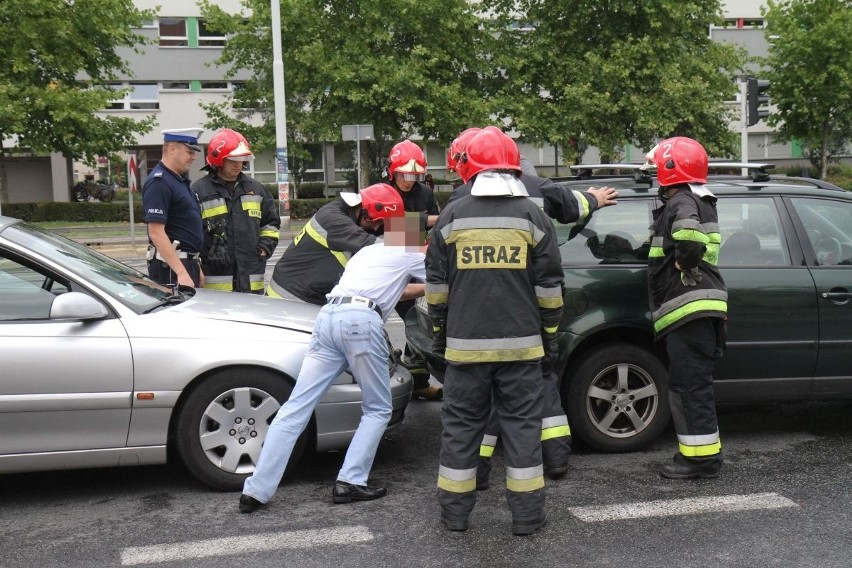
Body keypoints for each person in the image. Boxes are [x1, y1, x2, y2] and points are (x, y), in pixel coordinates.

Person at [448, 126, 618, 489]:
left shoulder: (461, 196)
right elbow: (575, 207)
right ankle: (555, 458)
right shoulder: (543, 189)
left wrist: (394, 228)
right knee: (542, 381)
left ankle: (477, 471)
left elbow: (434, 240)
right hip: (537, 300)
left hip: (478, 309)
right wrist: (594, 198)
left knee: (484, 397)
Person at [239, 193, 427, 513]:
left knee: (296, 406)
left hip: (328, 317)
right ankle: (350, 480)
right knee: (379, 408)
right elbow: (444, 277)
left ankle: (255, 490)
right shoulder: (410, 249)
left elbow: (396, 286)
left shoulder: (368, 253)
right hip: (360, 322)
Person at [426, 128, 564, 536]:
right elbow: (550, 290)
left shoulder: (451, 216)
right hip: (522, 353)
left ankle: (455, 516)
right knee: (523, 430)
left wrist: (439, 333)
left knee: (460, 429)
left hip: (465, 353)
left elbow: (436, 288)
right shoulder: (533, 217)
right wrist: (550, 335)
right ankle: (526, 518)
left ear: (469, 167)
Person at [641, 136, 728, 479]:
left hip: (688, 311)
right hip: (699, 310)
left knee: (690, 387)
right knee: (690, 385)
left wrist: (683, 262)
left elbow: (689, 239)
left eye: (656, 168)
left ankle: (701, 461)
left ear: (670, 169)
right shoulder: (699, 199)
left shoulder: (682, 202)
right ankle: (698, 457)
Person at [385, 139, 443, 401]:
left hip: (418, 264)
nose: (409, 180)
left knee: (418, 321)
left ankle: (419, 380)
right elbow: (388, 230)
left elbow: (437, 228)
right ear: (392, 171)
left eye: (414, 175)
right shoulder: (381, 192)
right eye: (404, 174)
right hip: (389, 269)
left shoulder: (425, 194)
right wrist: (427, 221)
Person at [266, 186, 389, 303]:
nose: (377, 227)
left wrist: (404, 222)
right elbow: (377, 247)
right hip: (292, 297)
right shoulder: (335, 221)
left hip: (306, 293)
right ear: (364, 212)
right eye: (377, 221)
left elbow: (398, 231)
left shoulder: (348, 211)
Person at [193, 129, 280, 294]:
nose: (238, 164)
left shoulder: (256, 189)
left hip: (251, 278)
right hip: (216, 281)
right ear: (219, 159)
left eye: (242, 159)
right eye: (232, 159)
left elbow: (271, 223)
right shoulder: (199, 191)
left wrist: (264, 248)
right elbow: (191, 232)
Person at [142, 128, 205, 288]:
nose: (193, 157)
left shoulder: (177, 181)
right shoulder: (160, 183)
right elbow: (156, 232)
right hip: (170, 269)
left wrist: (195, 264)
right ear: (172, 149)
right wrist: (181, 272)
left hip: (184, 264)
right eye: (189, 151)